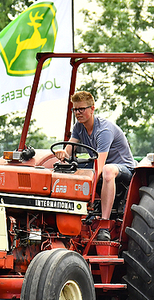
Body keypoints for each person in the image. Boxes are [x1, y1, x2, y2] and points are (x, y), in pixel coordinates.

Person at [54, 91, 136, 241]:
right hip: (102, 165)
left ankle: (104, 223)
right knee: (66, 168)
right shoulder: (78, 127)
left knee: (107, 170)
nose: (78, 113)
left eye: (82, 109)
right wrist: (62, 154)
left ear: (92, 109)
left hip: (124, 168)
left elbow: (100, 164)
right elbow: (68, 152)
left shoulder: (103, 131)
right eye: (75, 110)